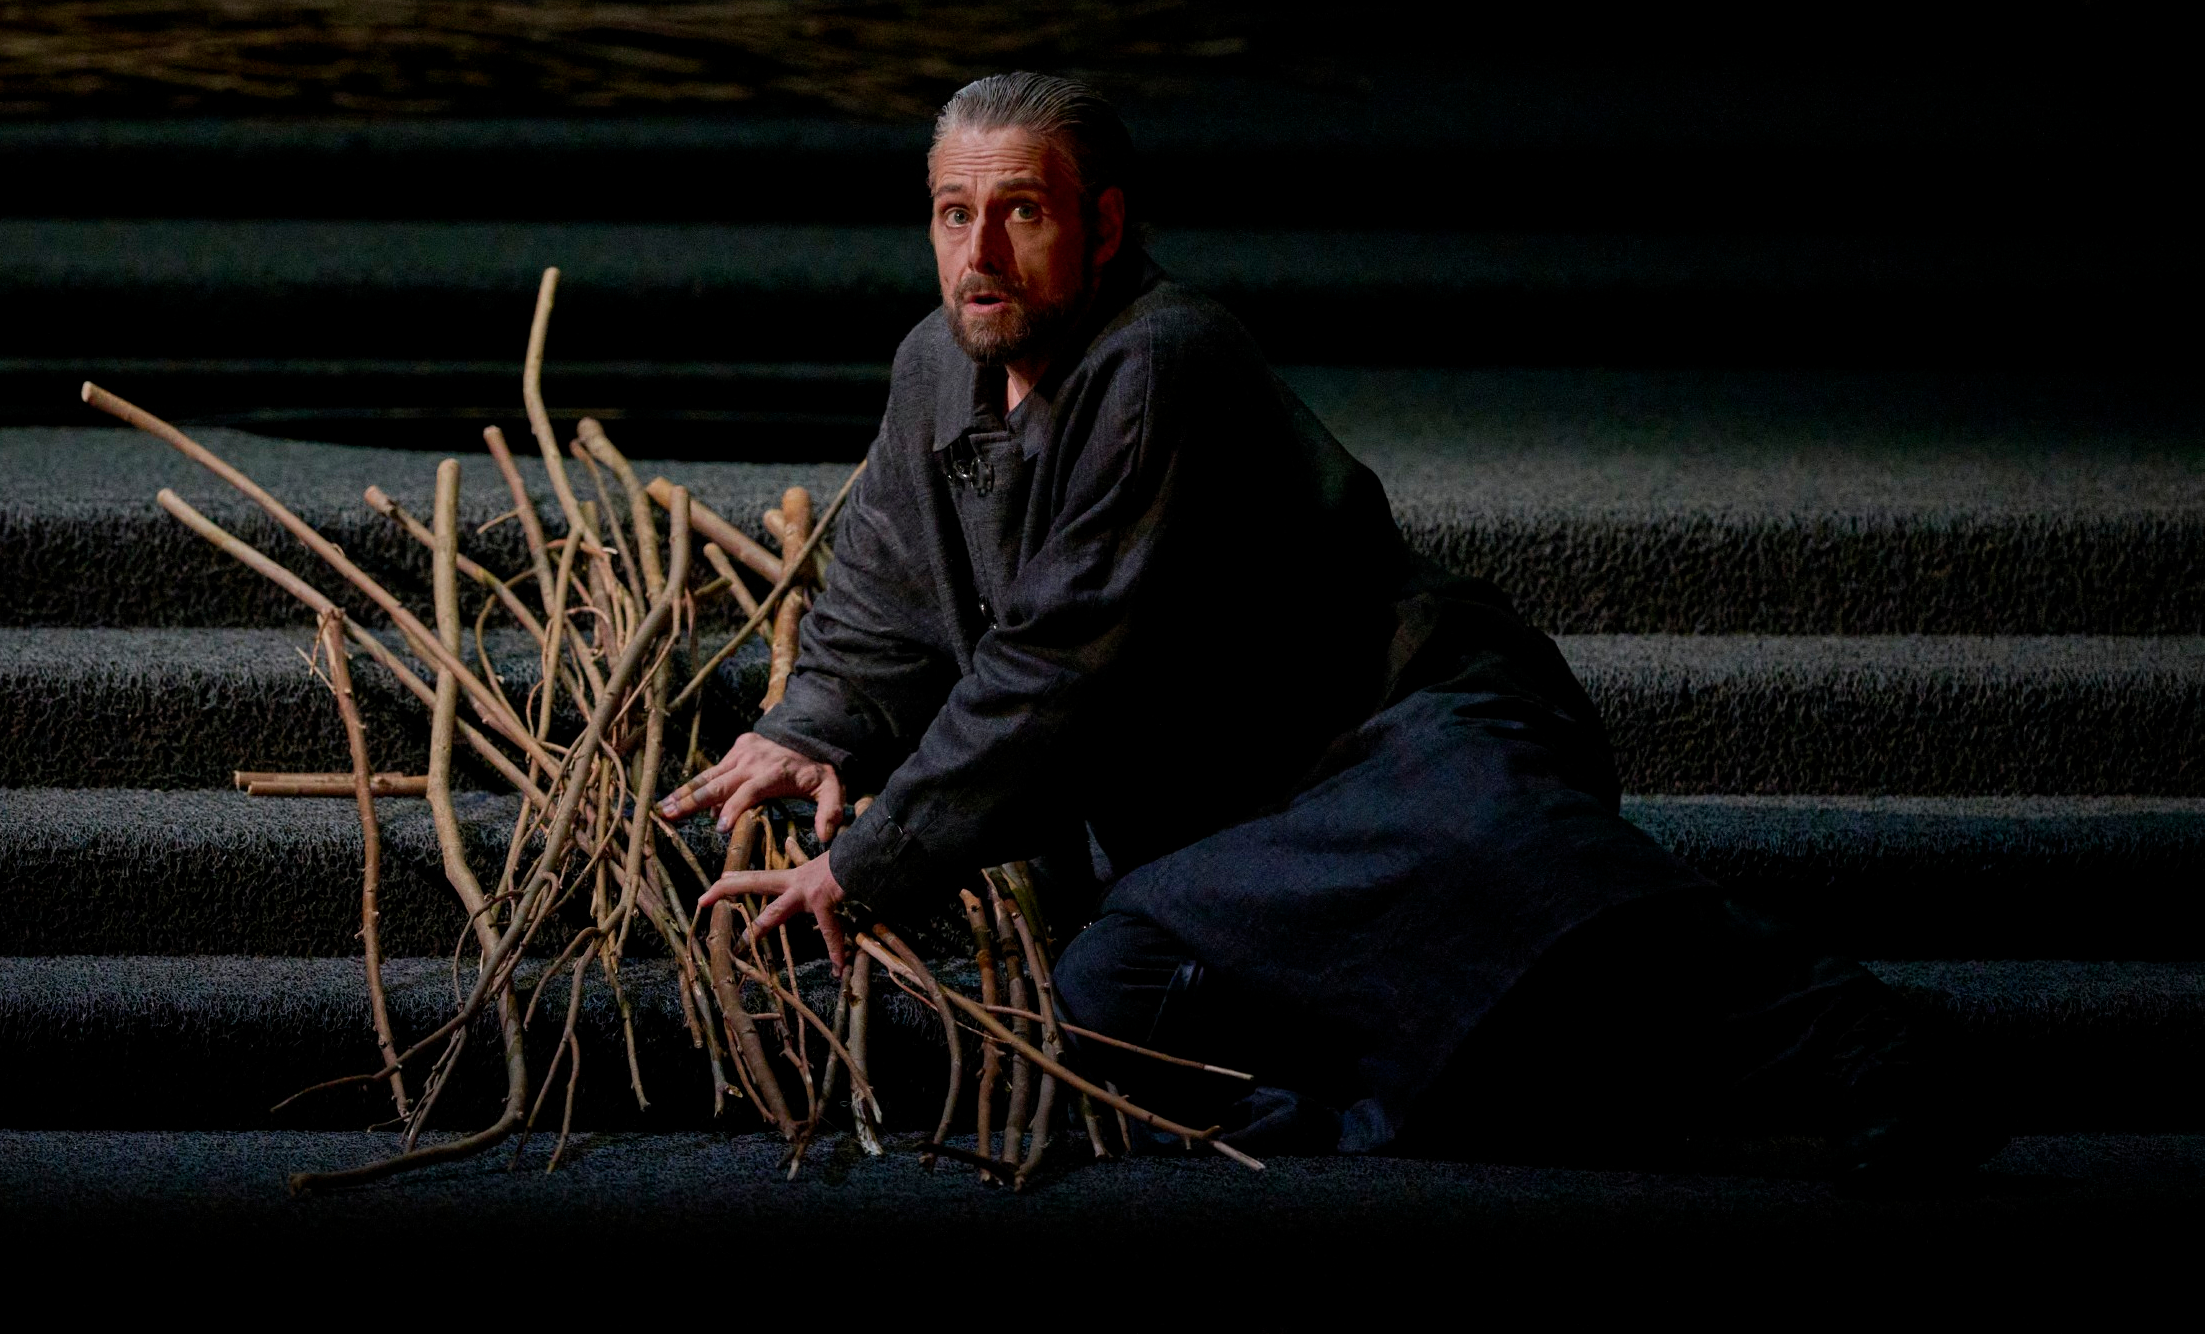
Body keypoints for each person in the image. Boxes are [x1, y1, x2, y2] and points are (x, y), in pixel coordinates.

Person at [664, 72, 1996, 1176]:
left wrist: (864, 863)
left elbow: (1054, 665)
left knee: (1532, 900)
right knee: (1115, 1002)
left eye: (1020, 210)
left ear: (1105, 224)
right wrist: (805, 726)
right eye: (954, 214)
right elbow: (881, 597)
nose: (979, 252)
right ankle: (1510, 1092)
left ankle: (1856, 1045)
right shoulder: (929, 369)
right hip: (1231, 819)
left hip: (1388, 735)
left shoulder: (1163, 357)